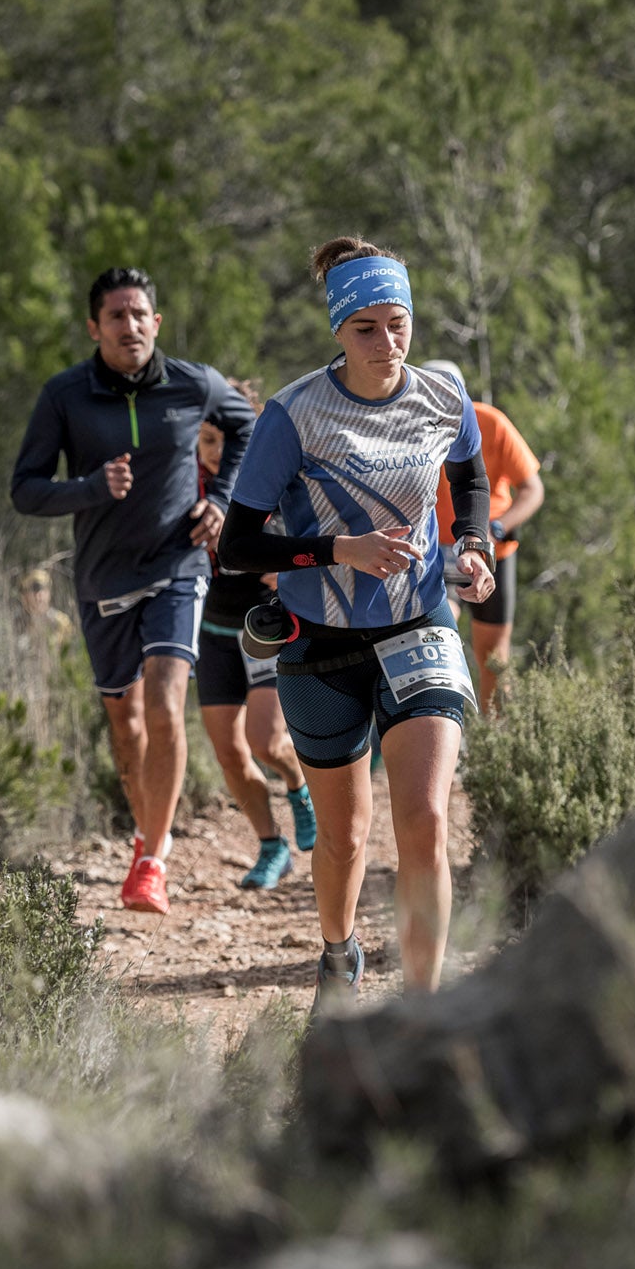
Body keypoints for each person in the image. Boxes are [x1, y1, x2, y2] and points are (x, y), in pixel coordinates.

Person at [220, 236, 496, 1009]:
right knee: (343, 836)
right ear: (338, 330)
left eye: (398, 322)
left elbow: (469, 473)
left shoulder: (441, 395)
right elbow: (240, 546)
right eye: (367, 327)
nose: (388, 342)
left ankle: (422, 1012)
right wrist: (336, 549)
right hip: (321, 643)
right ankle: (338, 953)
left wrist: (472, 546)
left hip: (421, 624)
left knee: (427, 818)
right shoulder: (296, 414)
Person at [11, 266, 257, 914]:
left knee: (165, 702)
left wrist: (225, 501)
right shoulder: (65, 396)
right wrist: (91, 488)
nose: (130, 326)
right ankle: (146, 834)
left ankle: (152, 859)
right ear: (95, 327)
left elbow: (248, 428)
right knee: (126, 726)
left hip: (177, 566)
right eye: (116, 316)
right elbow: (25, 488)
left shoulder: (193, 383)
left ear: (157, 322)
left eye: (140, 313)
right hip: (102, 583)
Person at [195, 404, 317, 890]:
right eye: (207, 440)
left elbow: (309, 535)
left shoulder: (271, 480)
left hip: (263, 625)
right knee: (229, 753)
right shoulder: (188, 490)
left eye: (226, 440)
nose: (217, 450)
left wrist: (285, 565)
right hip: (211, 631)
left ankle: (299, 786)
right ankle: (271, 848)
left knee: (264, 741)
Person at [434, 401, 543, 712]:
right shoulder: (412, 422)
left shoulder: (491, 422)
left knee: (494, 657)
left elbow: (532, 488)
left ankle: (496, 748)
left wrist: (496, 527)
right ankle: (437, 729)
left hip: (490, 551)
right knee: (436, 637)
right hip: (437, 551)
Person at [15, 567, 75, 651]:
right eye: (32, 591)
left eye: (42, 590)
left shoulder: (61, 622)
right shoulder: (18, 623)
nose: (39, 597)